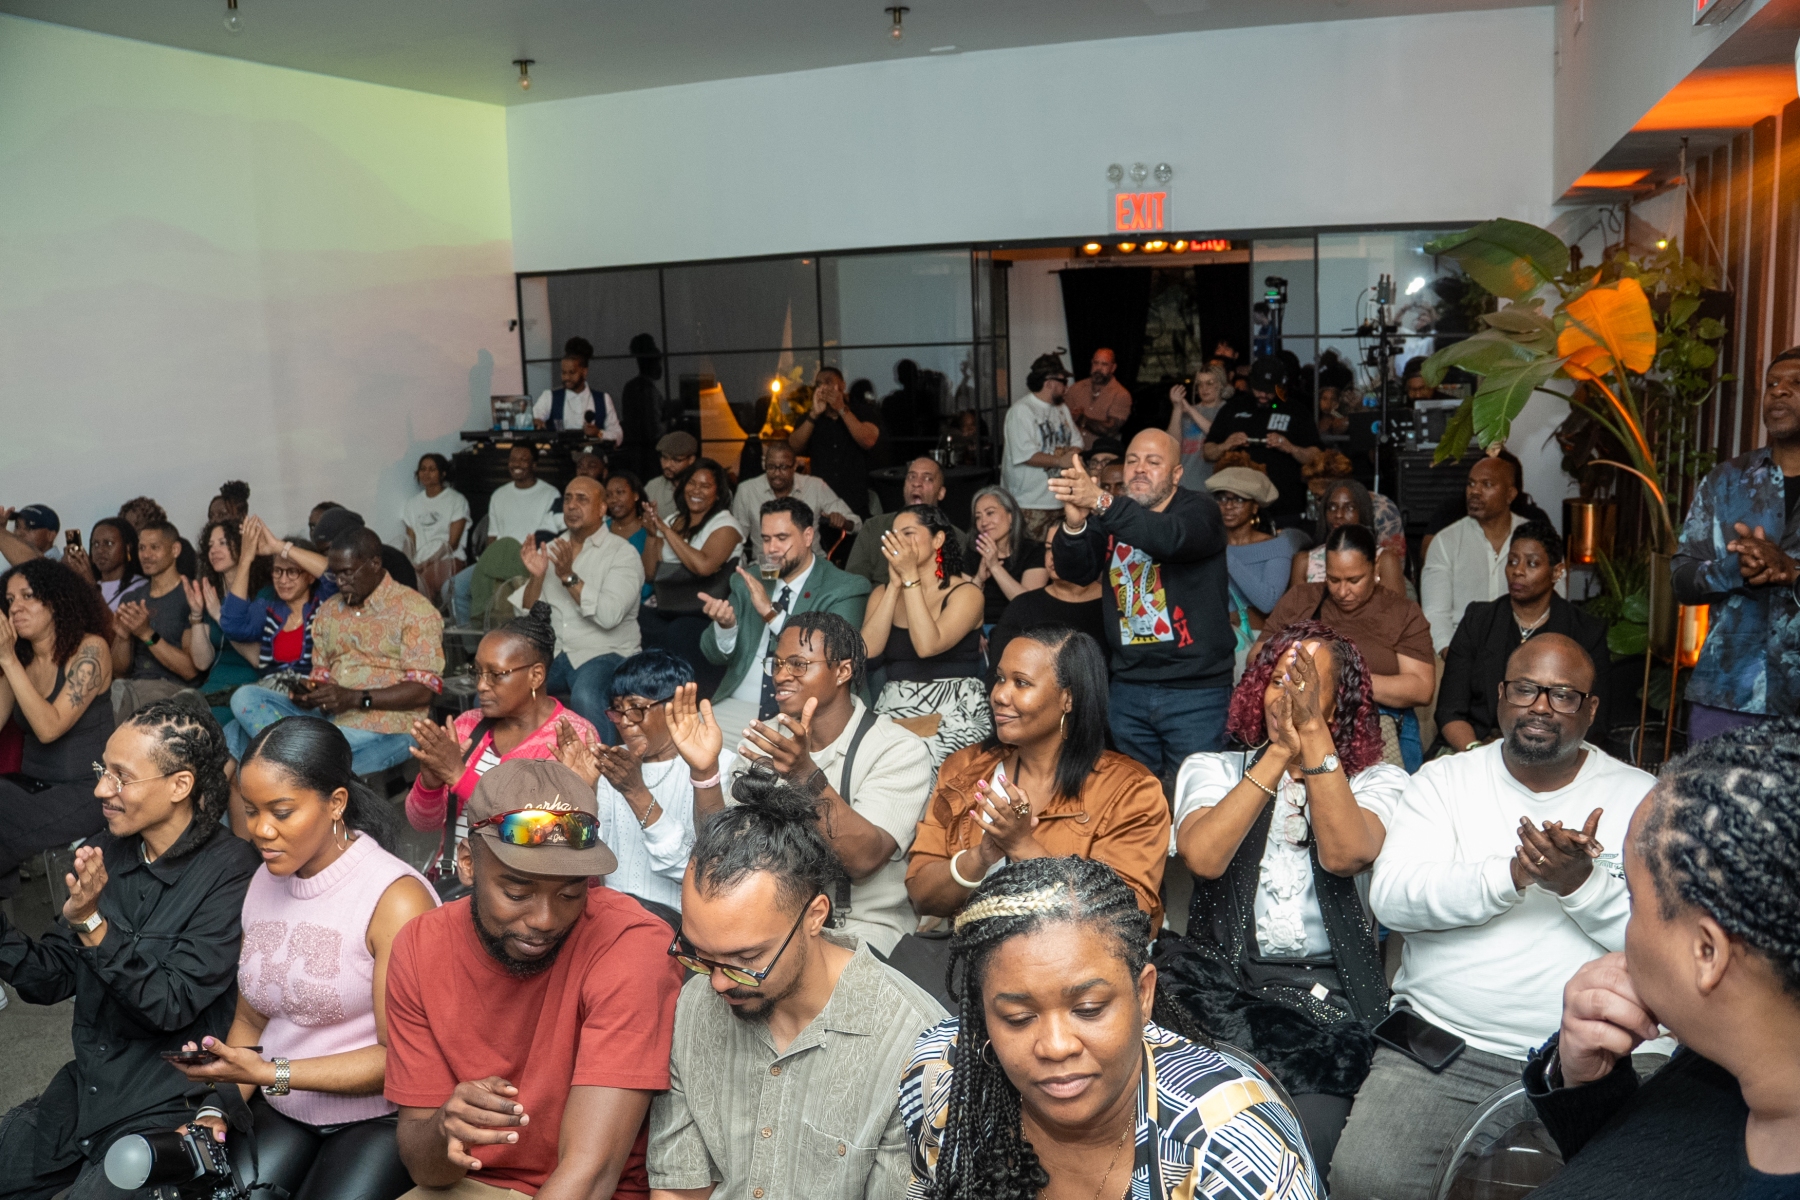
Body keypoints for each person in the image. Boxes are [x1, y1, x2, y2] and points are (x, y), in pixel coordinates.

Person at [1329, 634, 1658, 1200]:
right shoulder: (1443, 781)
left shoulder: (1642, 798)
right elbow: (1394, 898)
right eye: (1526, 689)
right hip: (1446, 1045)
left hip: (1601, 1056)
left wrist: (1579, 884)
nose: (1540, 706)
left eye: (1562, 695)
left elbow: (1668, 942)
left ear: (1591, 709)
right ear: (1502, 695)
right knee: (1364, 1181)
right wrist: (1514, 874)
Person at [901, 856, 1323, 1200]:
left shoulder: (1231, 1148)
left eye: (1088, 1009)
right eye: (1018, 1018)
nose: (1056, 1046)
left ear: (1143, 995)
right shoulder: (945, 1078)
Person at [1520, 719, 1800, 1198]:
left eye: (1633, 901)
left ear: (1708, 952)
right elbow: (1630, 1167)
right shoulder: (1721, 1060)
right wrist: (1588, 1085)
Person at [1162, 623, 1407, 1168]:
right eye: (1277, 680)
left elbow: (1346, 854)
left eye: (1305, 684)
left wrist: (1311, 737)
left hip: (1328, 1001)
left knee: (1303, 1146)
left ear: (1337, 704)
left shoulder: (1378, 783)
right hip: (1217, 985)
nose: (1287, 695)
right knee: (1199, 1132)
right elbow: (1204, 857)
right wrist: (1277, 755)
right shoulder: (1212, 768)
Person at [383, 759, 683, 1200]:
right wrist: (444, 1128)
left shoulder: (633, 947)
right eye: (517, 892)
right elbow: (423, 1166)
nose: (545, 919)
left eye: (570, 893)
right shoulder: (419, 945)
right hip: (467, 1186)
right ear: (467, 862)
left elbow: (590, 1175)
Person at [166, 717, 436, 1200]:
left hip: (378, 1116)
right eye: (251, 810)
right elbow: (251, 1019)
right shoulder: (265, 880)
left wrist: (272, 1073)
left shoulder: (395, 899)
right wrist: (215, 1109)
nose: (260, 830)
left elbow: (397, 1057)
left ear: (336, 802)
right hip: (283, 1104)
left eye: (282, 812)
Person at [0, 699, 260, 1199]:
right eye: (103, 771)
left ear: (180, 785)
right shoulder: (109, 850)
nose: (102, 789)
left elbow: (168, 1003)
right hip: (88, 1094)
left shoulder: (232, 873)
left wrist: (93, 924)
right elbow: (50, 979)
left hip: (168, 1106)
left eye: (121, 777)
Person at [649, 770, 946, 1199]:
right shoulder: (695, 1004)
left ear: (815, 916)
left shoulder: (914, 1046)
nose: (717, 982)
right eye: (701, 953)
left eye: (746, 959)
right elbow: (679, 1187)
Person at [907, 625, 1168, 926]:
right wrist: (980, 857)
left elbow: (1124, 922)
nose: (999, 695)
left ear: (1068, 698)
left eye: (1021, 683)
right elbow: (921, 895)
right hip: (973, 951)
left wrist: (1021, 845)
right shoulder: (965, 770)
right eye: (1000, 679)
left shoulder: (1131, 791)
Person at [720, 612, 934, 957]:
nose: (780, 675)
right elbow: (723, 847)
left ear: (843, 671)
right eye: (776, 664)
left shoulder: (897, 749)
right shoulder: (766, 737)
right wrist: (703, 775)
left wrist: (805, 775)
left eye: (798, 664)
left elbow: (864, 859)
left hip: (861, 928)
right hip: (775, 924)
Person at [1050, 429, 1234, 782]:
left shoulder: (1200, 511)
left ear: (1176, 474)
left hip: (1195, 692)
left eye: (1153, 462)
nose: (1139, 469)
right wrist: (1075, 524)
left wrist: (1102, 501)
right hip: (1128, 689)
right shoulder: (1112, 516)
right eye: (1132, 460)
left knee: (1199, 797)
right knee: (1133, 798)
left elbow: (1169, 539)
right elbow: (1075, 571)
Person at [231, 528, 444, 776]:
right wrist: (310, 694)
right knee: (244, 698)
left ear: (375, 564)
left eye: (348, 573)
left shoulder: (414, 610)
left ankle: (296, 763)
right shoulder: (329, 611)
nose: (340, 582)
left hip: (390, 727)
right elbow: (322, 675)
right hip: (331, 721)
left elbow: (423, 691)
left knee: (254, 744)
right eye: (335, 574)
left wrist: (356, 698)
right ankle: (300, 762)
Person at [1672, 347, 1800, 740]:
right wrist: (1735, 571)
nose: (1778, 391)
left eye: (1796, 383)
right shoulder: (1726, 480)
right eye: (1772, 383)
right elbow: (1681, 578)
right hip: (1727, 696)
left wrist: (1792, 571)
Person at [406, 603, 602, 855]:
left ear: (536, 675)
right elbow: (423, 825)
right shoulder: (466, 726)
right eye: (478, 672)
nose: (481, 685)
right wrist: (430, 784)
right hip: (455, 872)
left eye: (496, 674)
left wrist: (458, 776)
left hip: (524, 879)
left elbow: (544, 836)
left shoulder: (572, 738)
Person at [551, 652, 730, 916]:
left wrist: (636, 792)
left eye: (636, 708)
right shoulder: (614, 761)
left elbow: (705, 872)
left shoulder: (718, 766)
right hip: (612, 916)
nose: (624, 722)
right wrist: (583, 792)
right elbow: (587, 858)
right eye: (617, 710)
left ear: (675, 706)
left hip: (677, 925)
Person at [698, 496, 871, 745]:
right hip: (740, 705)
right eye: (766, 539)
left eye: (782, 538)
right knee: (687, 741)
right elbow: (712, 655)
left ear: (808, 536)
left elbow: (837, 652)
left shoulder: (843, 587)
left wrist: (771, 614)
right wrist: (726, 627)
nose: (772, 549)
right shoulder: (750, 580)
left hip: (808, 715)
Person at [1260, 525, 1434, 771]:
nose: (1342, 591)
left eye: (1354, 580)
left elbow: (1421, 688)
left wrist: (1339, 679)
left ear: (1375, 567)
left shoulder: (1402, 613)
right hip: (1300, 717)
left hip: (1381, 721)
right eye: (1333, 579)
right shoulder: (1301, 600)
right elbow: (1257, 658)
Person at [1435, 521, 1609, 757]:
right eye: (1512, 561)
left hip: (1555, 754)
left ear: (1557, 572)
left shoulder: (1585, 631)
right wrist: (1477, 754)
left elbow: (1594, 721)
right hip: (1475, 747)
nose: (1518, 571)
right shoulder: (1478, 621)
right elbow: (1449, 710)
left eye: (1532, 563)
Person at [0, 559, 114, 898]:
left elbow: (49, 727)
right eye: (9, 600)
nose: (15, 608)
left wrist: (7, 660)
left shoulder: (91, 649)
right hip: (33, 787)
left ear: (56, 601)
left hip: (88, 791)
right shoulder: (20, 659)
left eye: (27, 596)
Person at [513, 474, 644, 738]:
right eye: (568, 499)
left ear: (602, 508)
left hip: (607, 652)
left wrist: (568, 577)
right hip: (557, 653)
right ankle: (510, 761)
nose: (572, 505)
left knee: (586, 694)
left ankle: (604, 764)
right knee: (507, 688)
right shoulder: (551, 549)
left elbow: (609, 616)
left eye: (582, 499)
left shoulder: (622, 553)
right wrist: (537, 578)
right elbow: (526, 617)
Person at [861, 504, 989, 764]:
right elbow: (868, 651)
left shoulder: (967, 593)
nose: (899, 543)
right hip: (895, 706)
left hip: (955, 707)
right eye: (894, 536)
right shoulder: (882, 592)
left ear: (937, 540)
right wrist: (894, 586)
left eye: (908, 533)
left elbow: (927, 645)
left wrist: (910, 579)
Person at [216, 516, 335, 756]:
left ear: (309, 576)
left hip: (311, 701)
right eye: (278, 571)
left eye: (292, 572)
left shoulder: (325, 605)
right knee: (230, 734)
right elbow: (232, 624)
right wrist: (246, 559)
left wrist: (279, 547)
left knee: (242, 698)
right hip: (273, 698)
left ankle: (291, 759)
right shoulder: (269, 609)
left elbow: (333, 575)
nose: (283, 580)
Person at [1420, 453, 1541, 656]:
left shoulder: (1535, 539)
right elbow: (1435, 613)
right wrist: (1453, 656)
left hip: (1524, 652)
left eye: (1487, 484)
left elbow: (1550, 606)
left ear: (1510, 494)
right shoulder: (1446, 541)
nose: (1474, 491)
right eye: (1471, 484)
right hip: (1460, 650)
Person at [639, 458, 744, 687]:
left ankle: (690, 694)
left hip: (705, 610)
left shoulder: (726, 524)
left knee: (681, 630)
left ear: (718, 492)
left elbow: (703, 566)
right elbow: (649, 573)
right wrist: (652, 534)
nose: (696, 490)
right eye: (692, 483)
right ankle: (653, 692)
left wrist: (664, 530)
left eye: (705, 485)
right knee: (640, 616)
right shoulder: (672, 519)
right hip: (669, 605)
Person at [453, 444, 562, 626]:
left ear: (534, 464)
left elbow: (549, 537)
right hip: (497, 560)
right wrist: (488, 566)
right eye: (512, 459)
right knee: (455, 588)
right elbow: (492, 538)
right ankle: (474, 642)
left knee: (508, 601)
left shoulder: (550, 494)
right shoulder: (499, 495)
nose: (516, 464)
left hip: (529, 562)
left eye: (523, 459)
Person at [1203, 357, 1322, 520]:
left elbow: (1316, 455)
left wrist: (1290, 448)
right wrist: (1227, 444)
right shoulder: (1232, 408)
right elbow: (1208, 452)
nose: (1263, 395)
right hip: (1239, 505)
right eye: (1259, 389)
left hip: (1285, 505)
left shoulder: (1297, 411)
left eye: (1269, 390)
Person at [110, 518, 200, 720]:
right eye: (142, 548)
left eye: (154, 547)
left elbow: (190, 670)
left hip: (172, 689)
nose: (146, 555)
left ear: (175, 550)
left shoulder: (191, 595)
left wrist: (146, 634)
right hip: (129, 687)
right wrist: (123, 637)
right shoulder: (132, 598)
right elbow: (118, 671)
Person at [985, 542, 1108, 684]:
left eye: (1062, 546)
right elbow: (996, 674)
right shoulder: (1023, 605)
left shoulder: (1111, 603)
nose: (1052, 556)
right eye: (1049, 548)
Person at [184, 516, 265, 730]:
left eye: (222, 543)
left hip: (246, 691)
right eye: (210, 545)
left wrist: (220, 617)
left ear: (242, 546)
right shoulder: (213, 595)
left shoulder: (262, 595)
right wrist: (197, 615)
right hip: (211, 690)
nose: (214, 550)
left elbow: (257, 658)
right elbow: (202, 662)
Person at [844, 456, 971, 588]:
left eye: (927, 478)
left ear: (941, 493)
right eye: (911, 477)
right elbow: (852, 586)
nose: (917, 483)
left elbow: (959, 589)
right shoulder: (874, 527)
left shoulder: (956, 537)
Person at [1206, 466, 1310, 623]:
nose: (1228, 506)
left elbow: (1268, 603)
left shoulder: (1275, 546)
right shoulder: (1206, 544)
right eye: (1221, 498)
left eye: (1239, 499)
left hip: (1252, 634)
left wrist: (1224, 553)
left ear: (1255, 507)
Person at [1003, 351, 1082, 542]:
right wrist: (1060, 461)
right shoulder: (1021, 411)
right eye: (1063, 382)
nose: (1067, 387)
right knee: (1031, 554)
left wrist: (1070, 455)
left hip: (1060, 501)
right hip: (1029, 503)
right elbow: (1026, 455)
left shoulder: (1062, 408)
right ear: (1049, 383)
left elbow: (1077, 442)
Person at [789, 366, 882, 519]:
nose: (823, 388)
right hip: (821, 504)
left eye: (828, 382)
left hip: (855, 502)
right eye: (818, 384)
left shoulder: (860, 412)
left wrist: (841, 409)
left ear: (842, 386)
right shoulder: (810, 418)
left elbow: (868, 440)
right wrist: (813, 414)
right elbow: (793, 447)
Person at [1291, 476, 1405, 596]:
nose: (1338, 514)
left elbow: (1396, 606)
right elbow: (1296, 607)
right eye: (1332, 507)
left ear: (1362, 511)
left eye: (1349, 508)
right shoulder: (1304, 561)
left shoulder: (1385, 560)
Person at [728, 438, 862, 534]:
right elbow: (736, 537)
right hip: (766, 562)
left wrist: (843, 522)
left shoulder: (815, 486)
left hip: (811, 561)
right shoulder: (747, 490)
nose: (777, 473)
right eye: (771, 467)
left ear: (795, 466)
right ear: (764, 465)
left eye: (783, 467)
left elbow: (857, 524)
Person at [969, 485, 1048, 632]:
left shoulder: (1034, 552)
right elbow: (962, 606)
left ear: (1011, 516)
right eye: (978, 517)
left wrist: (995, 567)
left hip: (1021, 630)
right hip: (979, 630)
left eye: (990, 513)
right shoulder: (972, 553)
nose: (984, 522)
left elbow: (1028, 605)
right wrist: (979, 579)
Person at [403, 452, 470, 605]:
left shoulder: (456, 500)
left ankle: (431, 619)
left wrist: (427, 563)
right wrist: (410, 564)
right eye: (423, 469)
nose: (426, 473)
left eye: (432, 469)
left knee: (424, 584)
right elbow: (410, 542)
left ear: (443, 473)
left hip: (449, 559)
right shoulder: (412, 504)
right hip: (419, 562)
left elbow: (452, 544)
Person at [535, 336, 623, 443]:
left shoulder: (603, 399)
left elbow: (618, 435)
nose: (566, 377)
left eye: (572, 372)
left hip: (593, 452)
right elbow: (533, 421)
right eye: (563, 372)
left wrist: (599, 433)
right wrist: (535, 422)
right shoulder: (549, 397)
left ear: (584, 372)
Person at [1168, 363, 1231, 489]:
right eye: (1200, 384)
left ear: (1220, 385)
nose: (1204, 388)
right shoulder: (1188, 411)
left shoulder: (1227, 410)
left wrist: (1190, 409)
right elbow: (1172, 442)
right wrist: (1177, 408)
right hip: (1184, 482)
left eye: (1209, 383)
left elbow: (1217, 432)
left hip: (1212, 484)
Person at [63, 516, 143, 611]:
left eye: (109, 543)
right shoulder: (86, 585)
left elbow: (110, 620)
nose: (100, 550)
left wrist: (91, 586)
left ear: (127, 548)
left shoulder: (140, 587)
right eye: (95, 544)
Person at [1065, 346, 1133, 451]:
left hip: (1100, 454)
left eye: (1104, 364)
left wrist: (1083, 420)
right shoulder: (1076, 388)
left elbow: (1110, 430)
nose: (1098, 368)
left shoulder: (1121, 395)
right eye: (1096, 363)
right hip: (1072, 452)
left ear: (1113, 368)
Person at [619, 332, 666, 480]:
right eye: (658, 362)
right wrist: (671, 422)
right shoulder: (646, 390)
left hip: (636, 456)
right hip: (648, 458)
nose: (660, 367)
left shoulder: (631, 387)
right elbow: (653, 430)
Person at [645, 430, 699, 519]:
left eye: (676, 460)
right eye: (664, 457)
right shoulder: (653, 486)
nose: (667, 465)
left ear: (691, 460)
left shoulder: (703, 487)